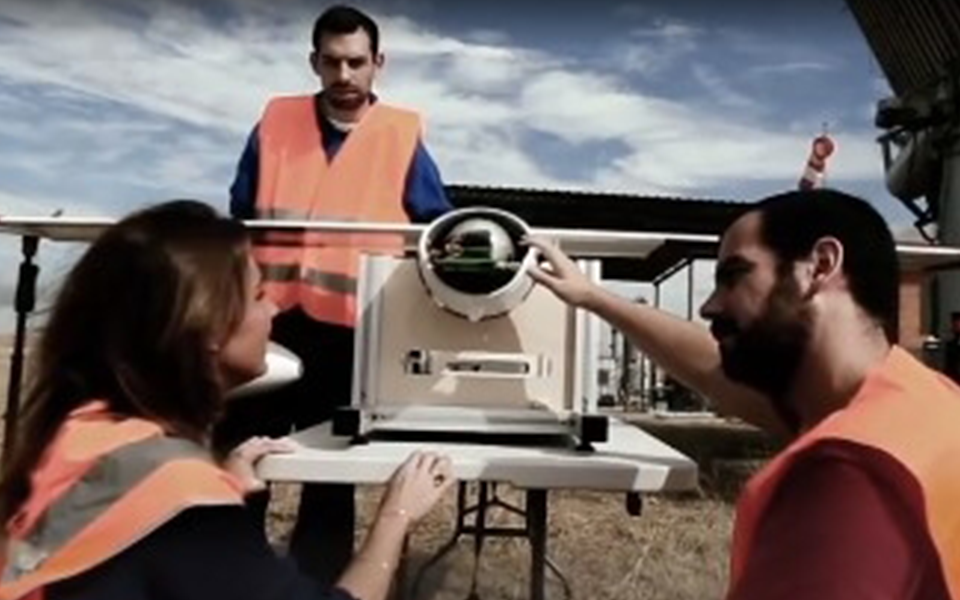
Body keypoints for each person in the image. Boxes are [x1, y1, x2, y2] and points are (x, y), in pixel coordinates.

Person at [0, 200, 455, 600]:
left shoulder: (78, 432)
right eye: (258, 296)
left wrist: (220, 482)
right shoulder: (188, 513)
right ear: (208, 327)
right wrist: (396, 516)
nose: (274, 309)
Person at [527, 188, 960, 599]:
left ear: (820, 266)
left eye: (734, 276)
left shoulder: (846, 478)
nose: (709, 306)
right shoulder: (928, 405)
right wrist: (593, 297)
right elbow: (712, 371)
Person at [219, 3, 454, 586]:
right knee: (242, 456)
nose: (344, 75)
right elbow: (242, 211)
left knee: (329, 480)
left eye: (356, 62)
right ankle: (227, 580)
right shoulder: (275, 122)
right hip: (267, 327)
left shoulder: (401, 135)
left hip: (352, 334)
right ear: (314, 63)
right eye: (332, 62)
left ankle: (320, 586)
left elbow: (436, 227)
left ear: (378, 63)